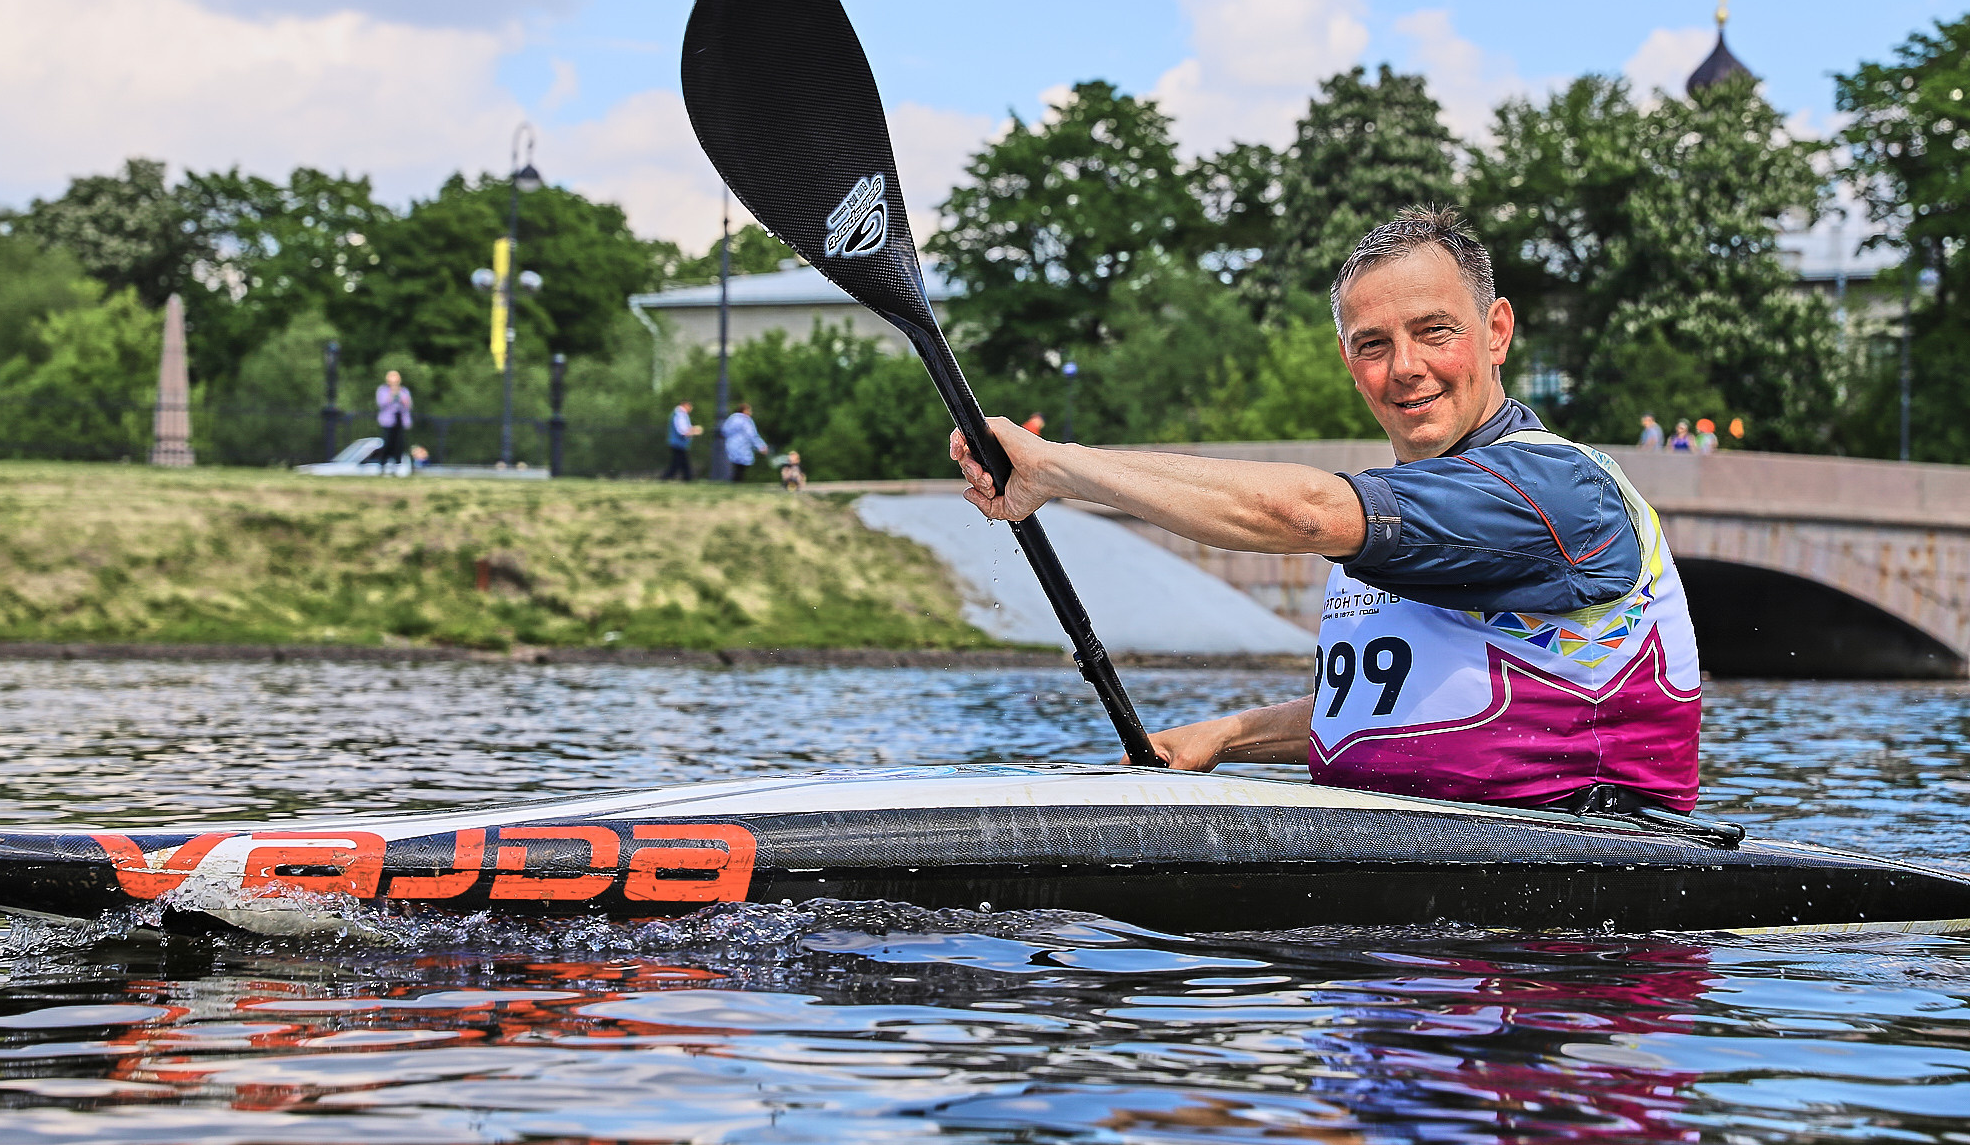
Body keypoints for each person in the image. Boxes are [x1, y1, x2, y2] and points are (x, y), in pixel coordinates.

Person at [951, 205, 1703, 814]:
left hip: (1574, 949)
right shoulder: (1392, 508)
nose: (1404, 367)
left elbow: (1305, 514)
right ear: (1349, 362)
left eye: (1434, 331)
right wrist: (1224, 736)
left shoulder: (1560, 489)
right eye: (1372, 343)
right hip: (1408, 946)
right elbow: (1392, 700)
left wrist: (1060, 466)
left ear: (1497, 330)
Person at [375, 370, 413, 475]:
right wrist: (392, 394)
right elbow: (381, 403)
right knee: (387, 442)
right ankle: (383, 464)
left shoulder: (404, 391)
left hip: (400, 419)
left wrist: (400, 396)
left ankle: (397, 464)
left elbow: (408, 405)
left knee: (399, 443)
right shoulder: (383, 390)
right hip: (388, 420)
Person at [720, 402, 767, 483]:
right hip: (743, 446)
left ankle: (735, 482)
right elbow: (752, 434)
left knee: (737, 466)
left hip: (731, 445)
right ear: (744, 411)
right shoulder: (745, 420)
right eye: (749, 411)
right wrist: (761, 446)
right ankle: (737, 482)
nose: (750, 413)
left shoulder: (732, 418)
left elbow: (724, 431)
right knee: (742, 467)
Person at [663, 400, 702, 481]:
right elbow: (682, 431)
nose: (690, 409)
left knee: (679, 462)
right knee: (679, 462)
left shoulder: (679, 414)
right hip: (678, 443)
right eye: (690, 407)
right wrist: (695, 430)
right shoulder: (680, 414)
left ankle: (685, 478)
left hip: (678, 443)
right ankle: (685, 478)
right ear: (686, 405)